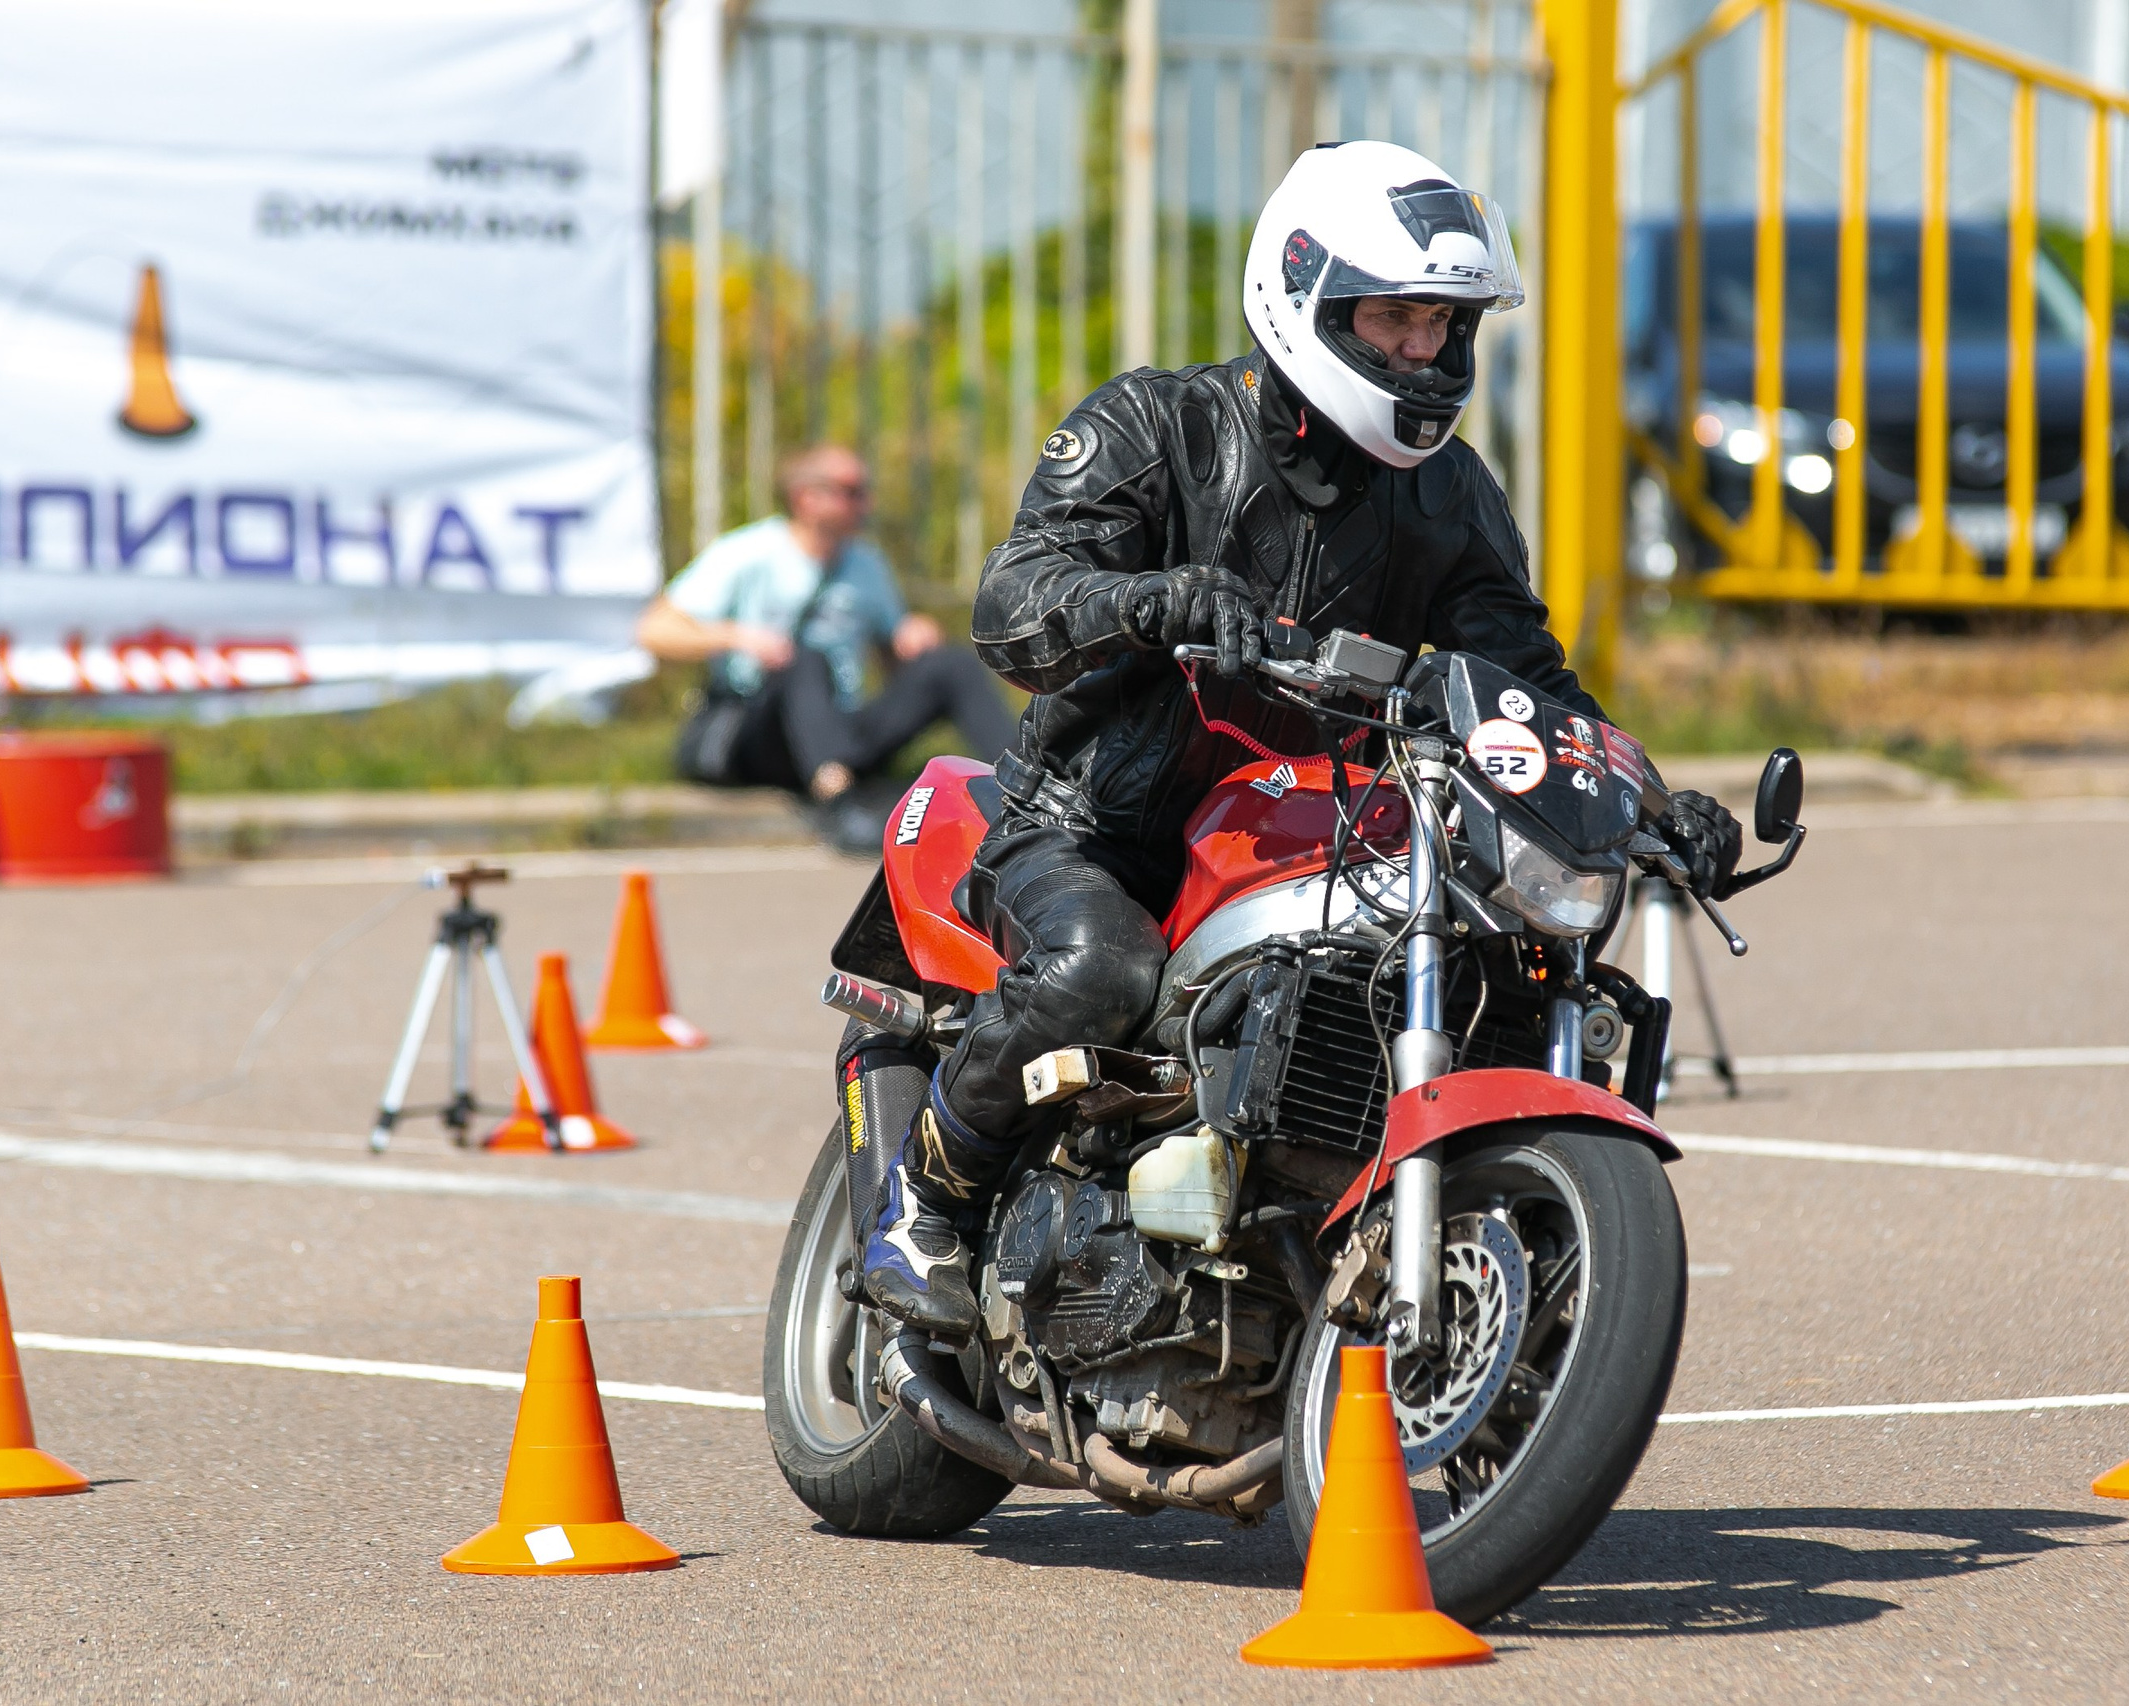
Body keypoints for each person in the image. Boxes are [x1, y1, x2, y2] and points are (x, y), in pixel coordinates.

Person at [861, 141, 1746, 1335]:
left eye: (1442, 322)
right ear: (1305, 294)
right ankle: (929, 1197)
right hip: (1100, 826)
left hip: (1318, 834)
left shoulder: (1449, 493)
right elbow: (1012, 603)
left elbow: (1523, 675)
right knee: (1099, 969)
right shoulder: (1156, 424)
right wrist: (1147, 599)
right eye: (1394, 319)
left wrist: (1636, 789)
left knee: (1516, 971)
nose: (1425, 352)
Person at [638, 445, 1017, 846]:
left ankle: (1021, 788)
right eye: (850, 491)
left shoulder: (866, 564)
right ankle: (839, 804)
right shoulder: (747, 553)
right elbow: (654, 630)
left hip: (838, 726)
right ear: (806, 497)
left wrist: (908, 643)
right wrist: (738, 637)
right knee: (806, 659)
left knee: (951, 664)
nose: (865, 503)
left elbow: (891, 663)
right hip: (757, 731)